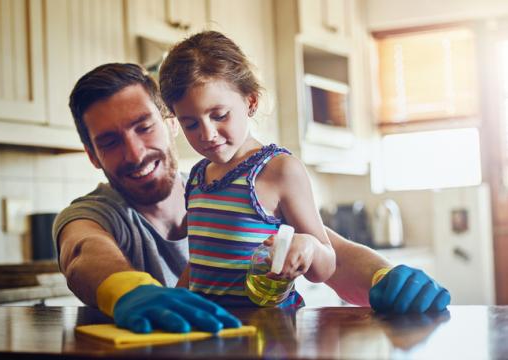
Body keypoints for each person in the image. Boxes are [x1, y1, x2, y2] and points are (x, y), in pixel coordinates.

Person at [54, 60, 450, 334]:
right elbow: (83, 252)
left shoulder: (221, 184)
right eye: (109, 141)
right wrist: (126, 290)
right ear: (92, 155)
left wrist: (384, 276)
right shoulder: (93, 214)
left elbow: (322, 246)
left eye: (144, 127)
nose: (136, 153)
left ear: (171, 125)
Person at [158, 31, 335, 308]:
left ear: (250, 102)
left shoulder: (279, 170)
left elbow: (325, 266)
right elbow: (201, 265)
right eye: (190, 124)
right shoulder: (197, 177)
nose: (207, 134)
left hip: (269, 337)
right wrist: (172, 301)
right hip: (213, 335)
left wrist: (309, 247)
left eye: (219, 116)